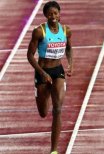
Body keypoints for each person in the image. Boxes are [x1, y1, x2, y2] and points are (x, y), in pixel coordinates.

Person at [27, 1, 73, 154]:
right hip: (42, 71)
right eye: (50, 14)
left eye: (56, 13)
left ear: (59, 14)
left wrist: (70, 64)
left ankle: (54, 150)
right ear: (45, 15)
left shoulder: (66, 30)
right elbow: (30, 56)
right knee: (43, 113)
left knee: (58, 109)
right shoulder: (39, 31)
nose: (53, 16)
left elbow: (69, 48)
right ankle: (43, 94)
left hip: (58, 71)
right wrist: (42, 73)